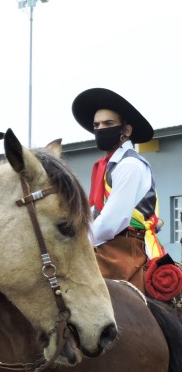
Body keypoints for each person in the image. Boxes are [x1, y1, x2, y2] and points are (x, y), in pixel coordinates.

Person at [72, 87, 158, 291]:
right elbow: (95, 214)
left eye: (108, 124)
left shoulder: (130, 165)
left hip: (124, 251)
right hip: (107, 245)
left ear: (126, 131)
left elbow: (112, 221)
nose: (101, 129)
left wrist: (75, 243)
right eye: (96, 125)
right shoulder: (107, 166)